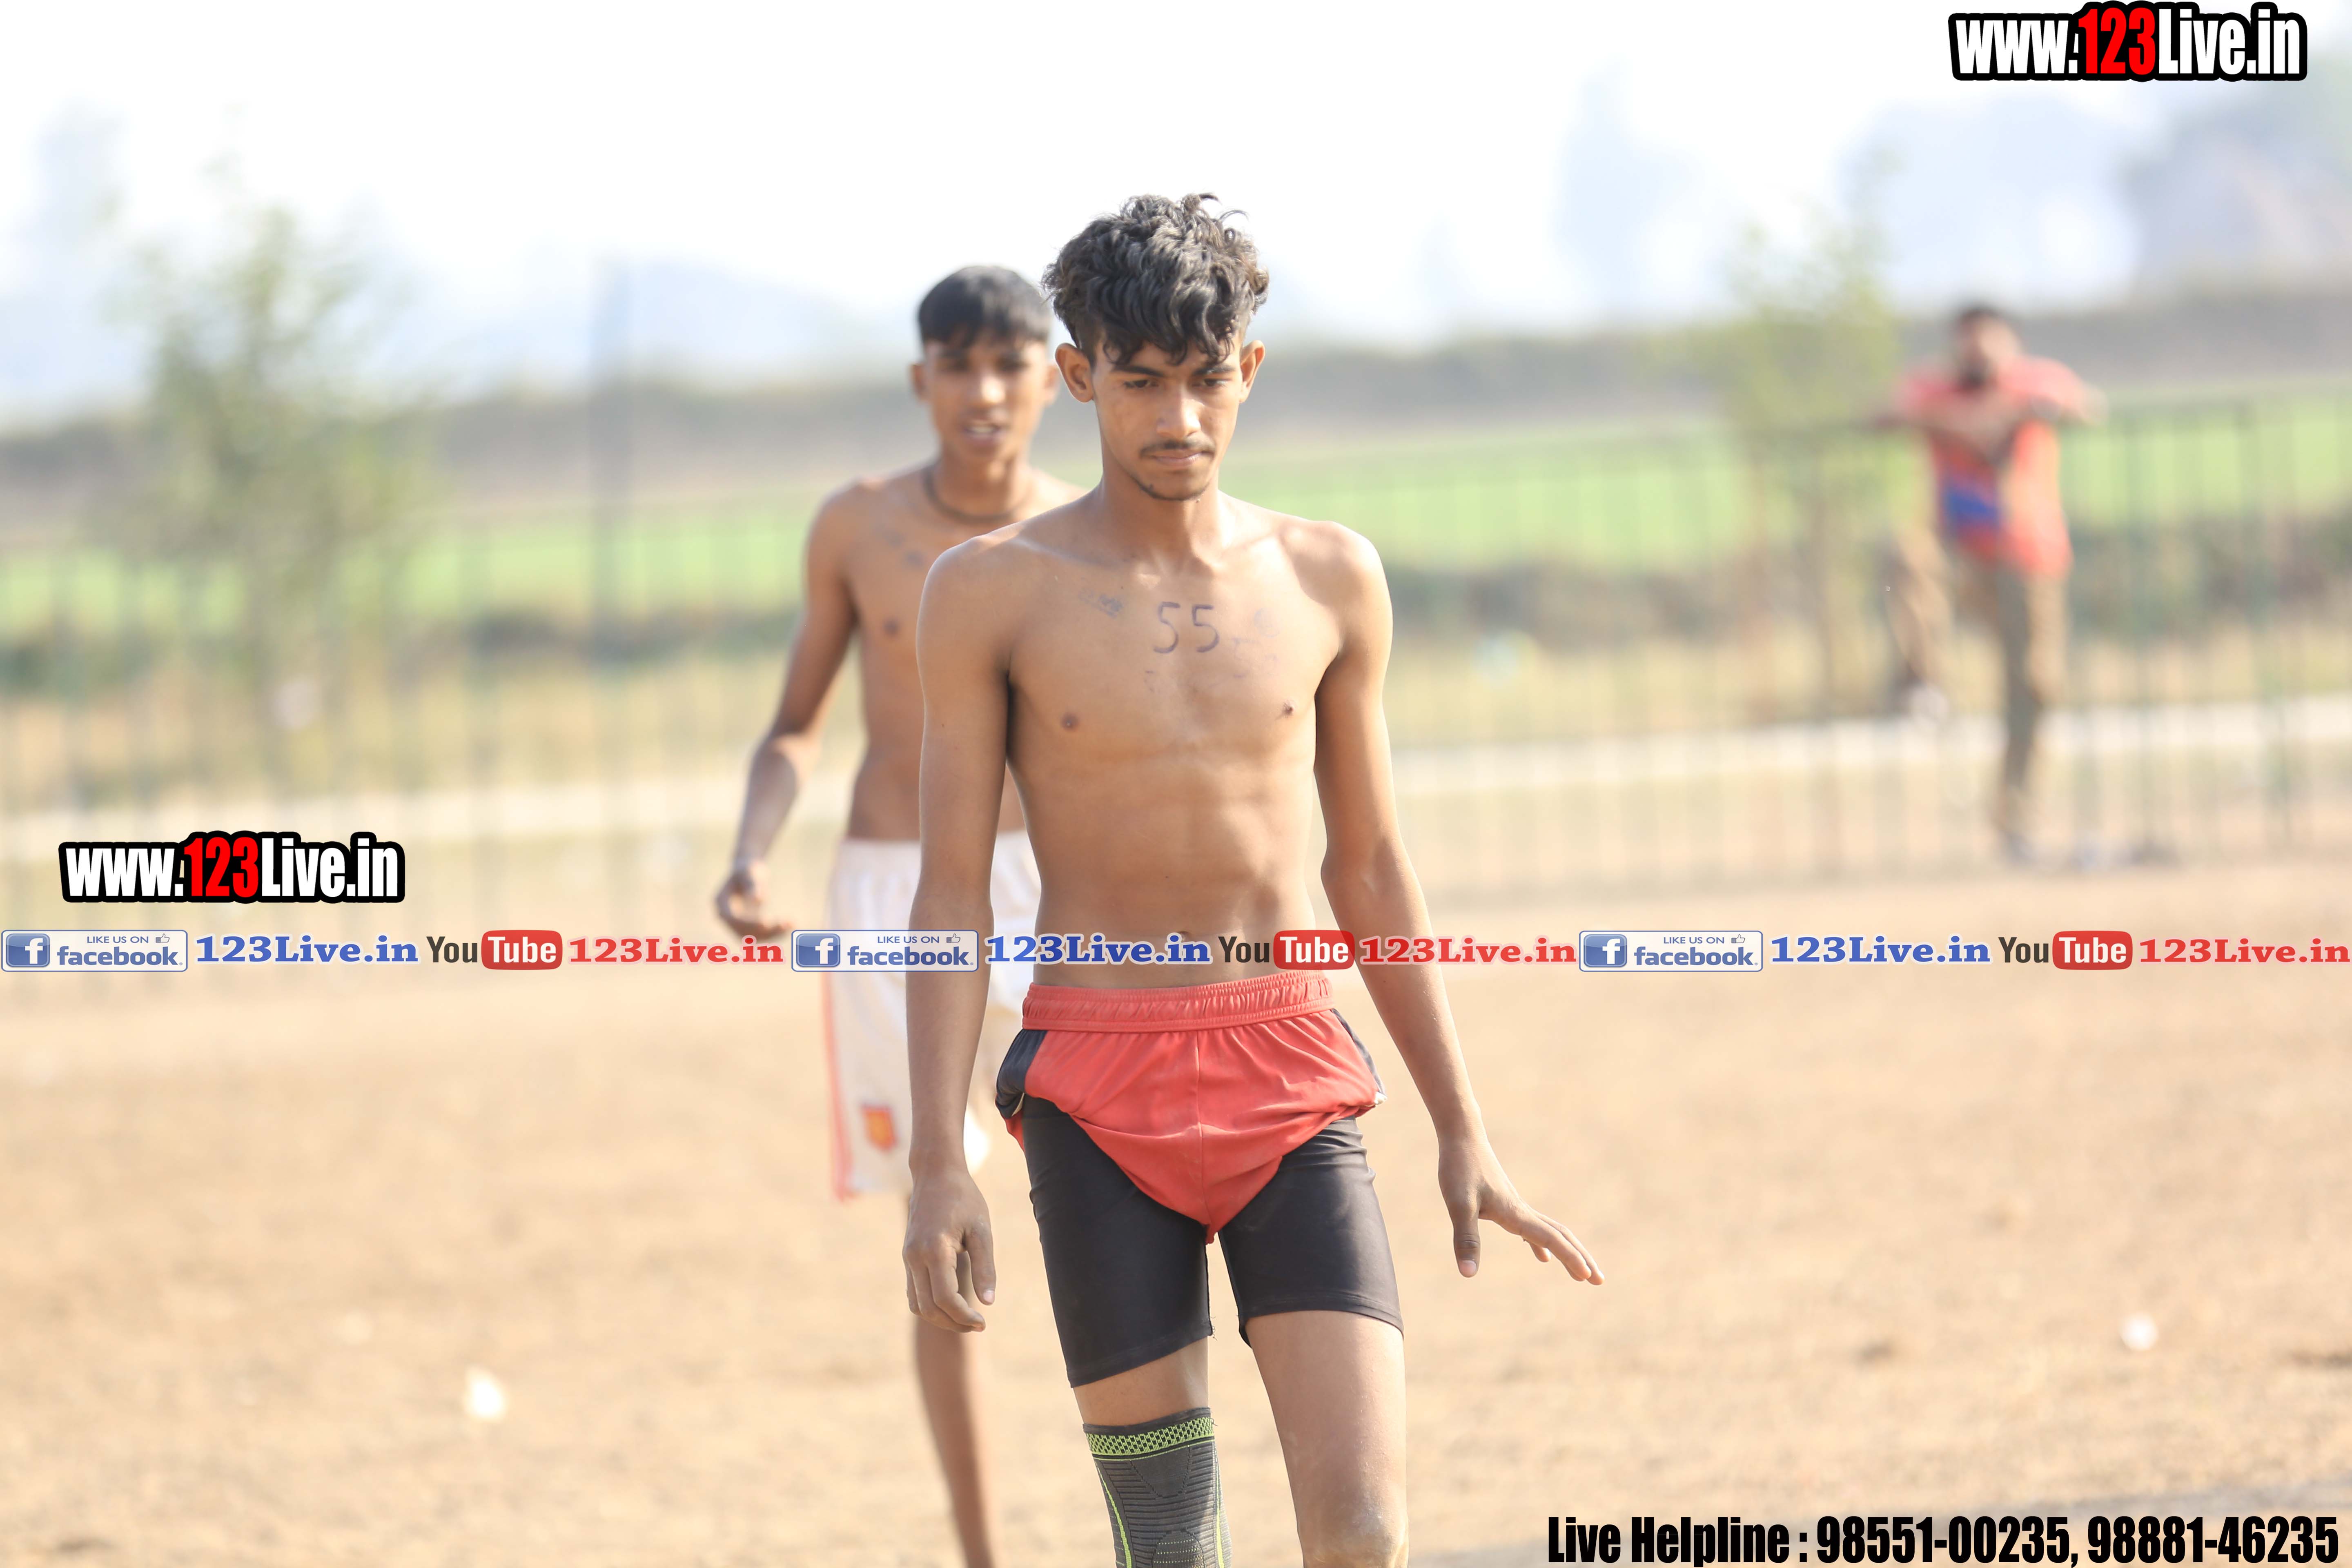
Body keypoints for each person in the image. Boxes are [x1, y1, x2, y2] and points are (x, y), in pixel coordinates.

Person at [901, 196, 1602, 1568]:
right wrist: (937, 1164)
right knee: (1171, 1545)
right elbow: (950, 897)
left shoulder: (1331, 576)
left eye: (1207, 378)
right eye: (1142, 382)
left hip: (1289, 1070)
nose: (1180, 419)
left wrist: (1463, 1126)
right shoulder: (988, 591)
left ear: (1250, 369)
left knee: (1364, 1530)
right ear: (1081, 375)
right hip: (1094, 1090)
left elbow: (1373, 865)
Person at [714, 265, 1081, 1568]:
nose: (984, 392)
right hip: (889, 896)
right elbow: (795, 726)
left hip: (1053, 899)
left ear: (1053, 379)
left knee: (1107, 1205)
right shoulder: (857, 529)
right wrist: (751, 853)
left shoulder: (1083, 533)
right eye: (958, 365)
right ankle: (985, 1555)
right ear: (921, 379)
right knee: (939, 1232)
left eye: (1010, 363)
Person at [1886, 302, 2103, 862]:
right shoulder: (1933, 389)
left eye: (1989, 341)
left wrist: (2020, 411)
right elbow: (1885, 413)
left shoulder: (2038, 381)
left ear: (2012, 344)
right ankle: (1920, 682)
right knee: (1909, 557)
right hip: (1959, 550)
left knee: (2034, 685)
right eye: (1969, 341)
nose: (1978, 352)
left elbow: (2086, 407)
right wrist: (1951, 421)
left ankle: (2016, 817)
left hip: (2029, 556)